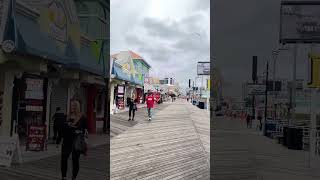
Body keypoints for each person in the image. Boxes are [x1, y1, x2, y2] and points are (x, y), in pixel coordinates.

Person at [57, 99, 88, 180]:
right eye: (71, 105)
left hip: (76, 140)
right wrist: (58, 140)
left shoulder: (82, 117)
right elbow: (62, 130)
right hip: (67, 140)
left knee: (75, 160)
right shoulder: (66, 116)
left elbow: (85, 129)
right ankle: (63, 177)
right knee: (64, 159)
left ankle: (73, 178)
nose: (72, 107)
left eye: (74, 105)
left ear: (77, 107)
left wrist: (79, 130)